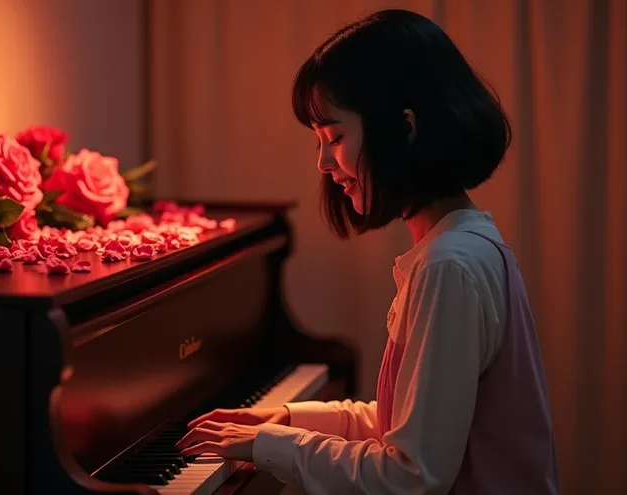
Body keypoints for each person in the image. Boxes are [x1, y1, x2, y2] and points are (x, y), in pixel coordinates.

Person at [176, 8, 559, 495]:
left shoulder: (448, 267)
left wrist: (270, 445)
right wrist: (287, 416)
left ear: (403, 130)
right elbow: (414, 418)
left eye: (333, 137)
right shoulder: (463, 244)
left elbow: (412, 474)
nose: (323, 163)